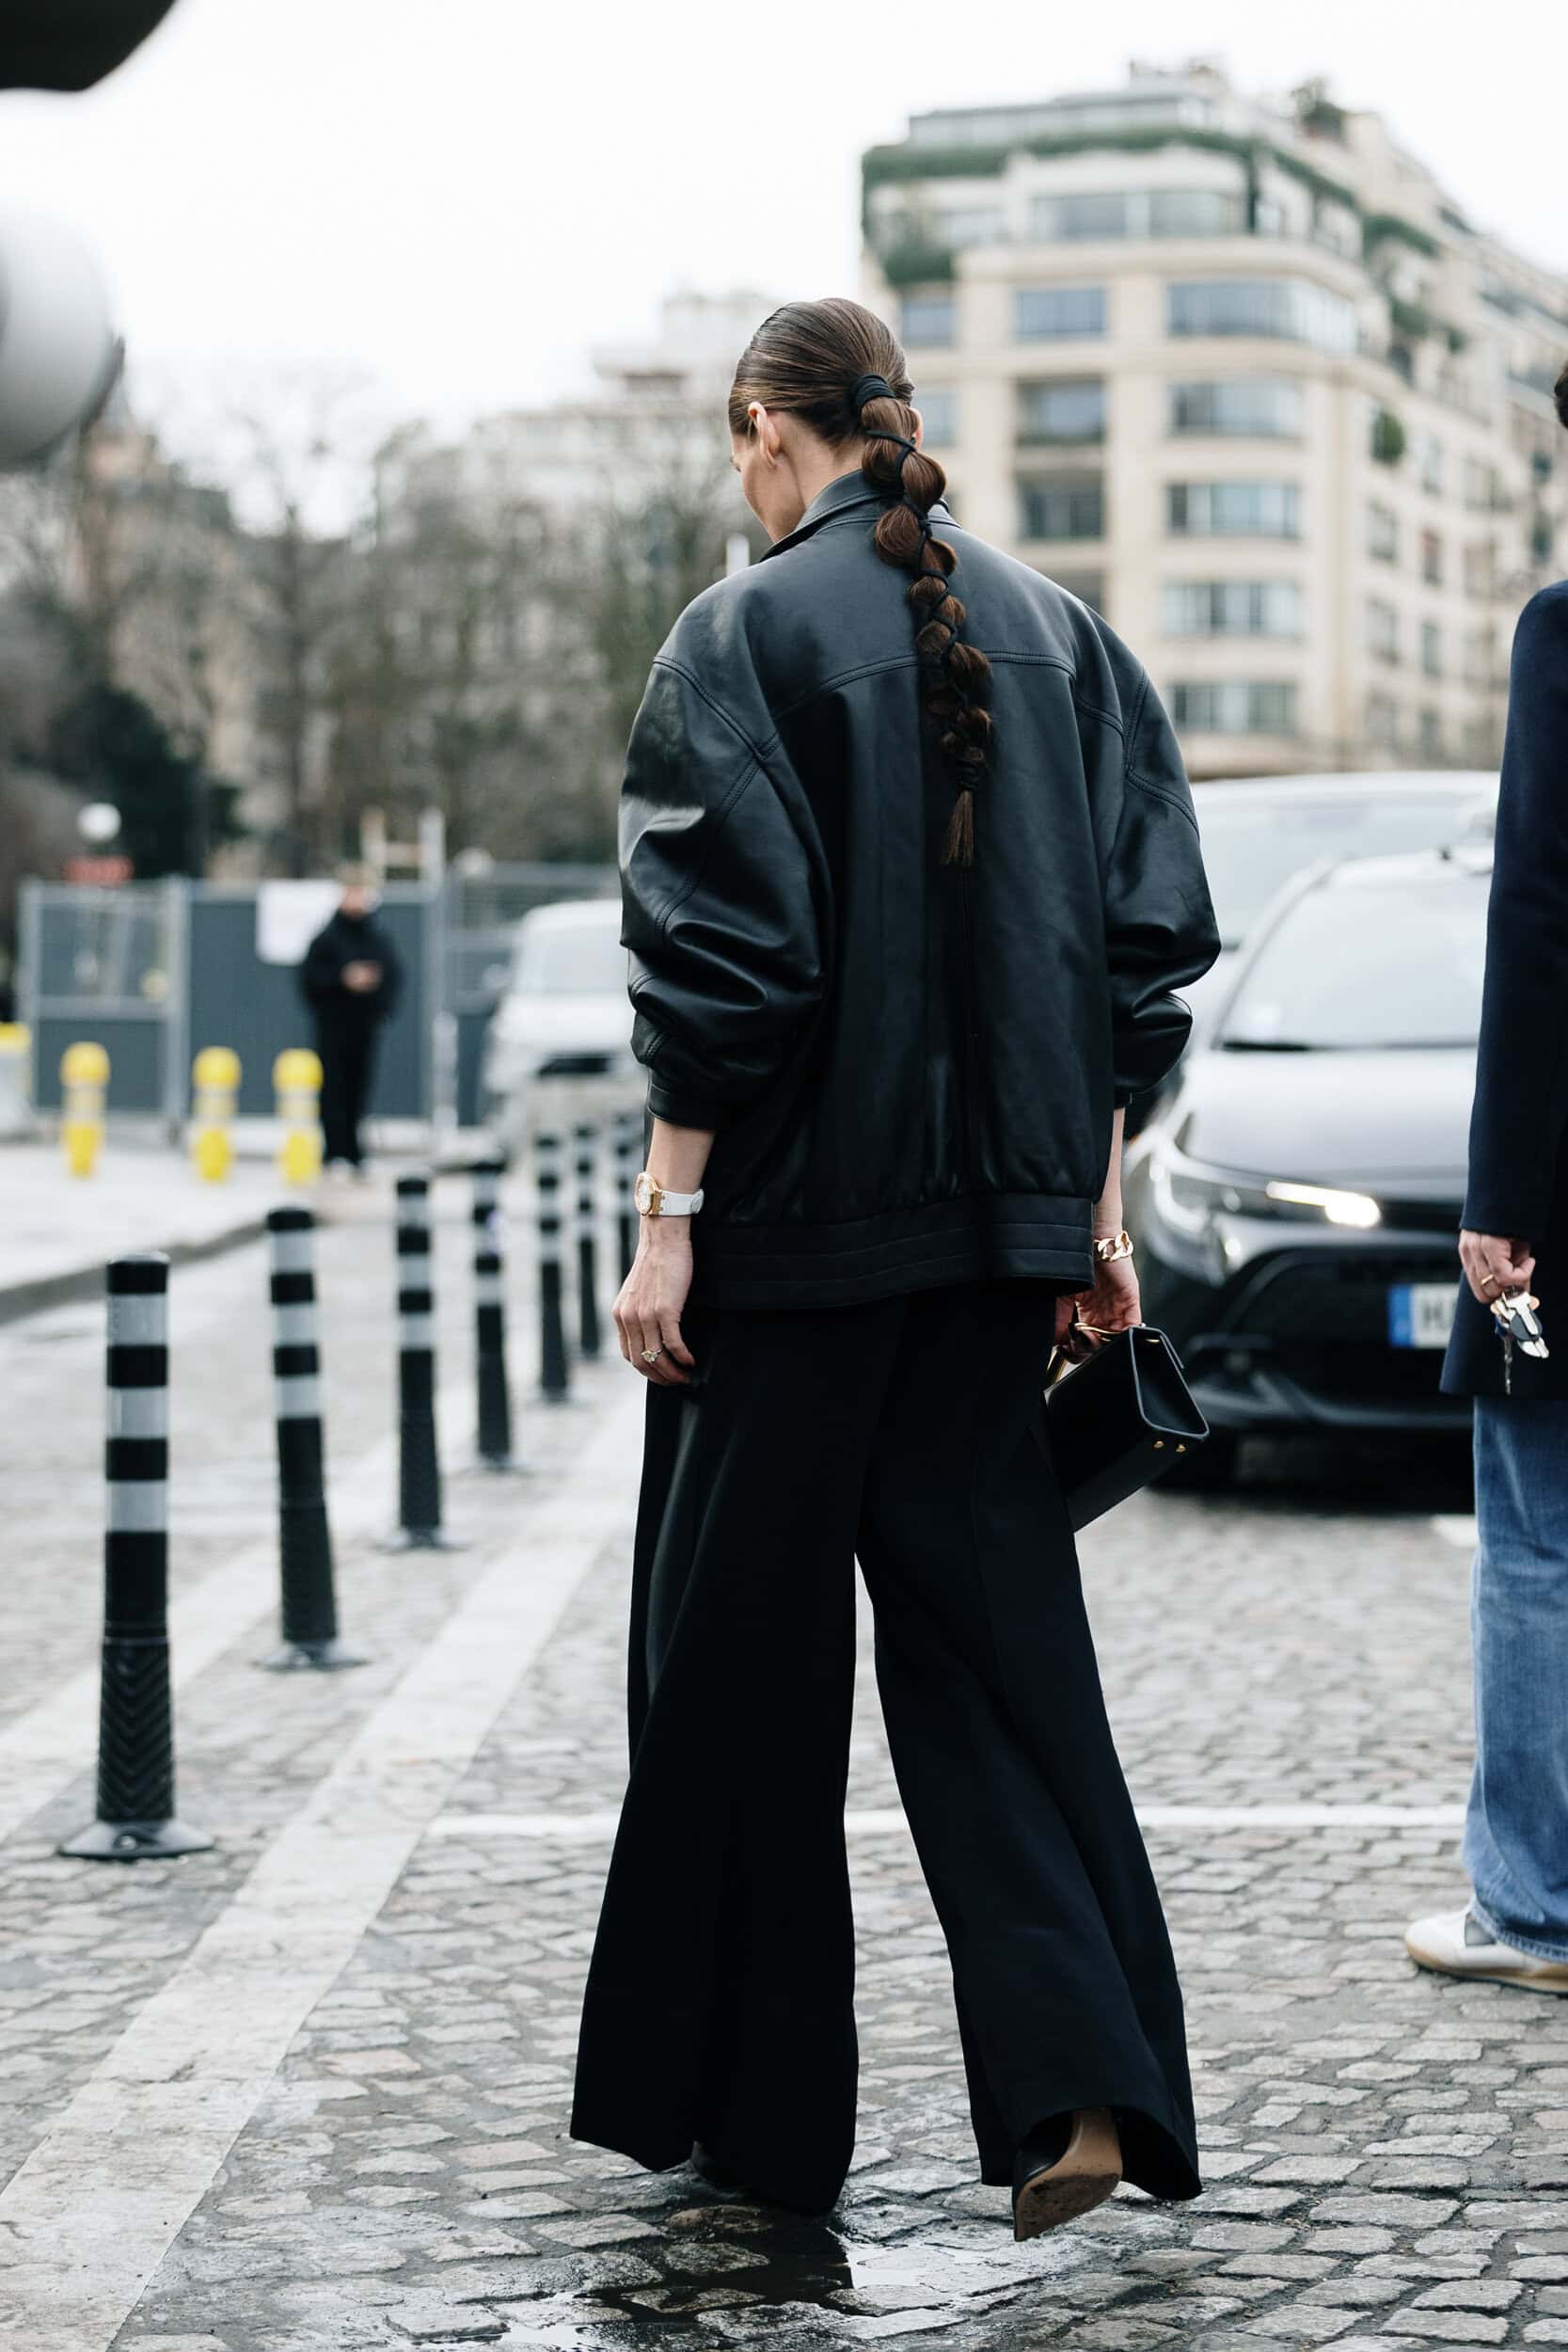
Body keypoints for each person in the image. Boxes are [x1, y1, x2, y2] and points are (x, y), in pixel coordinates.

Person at [569, 298, 1220, 2238]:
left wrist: (666, 1217)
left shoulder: (737, 633)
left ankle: (751, 2121)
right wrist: (1085, 1219)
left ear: (769, 431)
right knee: (1001, 1675)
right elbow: (1138, 966)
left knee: (736, 1687)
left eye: (735, 447)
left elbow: (726, 972)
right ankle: (1078, 2085)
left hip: (783, 1253)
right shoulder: (1062, 634)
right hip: (995, 1259)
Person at [1407, 360, 1568, 1996]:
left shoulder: (1564, 630)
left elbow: (1536, 920)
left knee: (1534, 1537)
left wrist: (1500, 1195)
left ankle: (1533, 1907)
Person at [299, 871, 403, 1174]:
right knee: (333, 1088)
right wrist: (343, 980)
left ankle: (355, 1151)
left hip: (364, 1025)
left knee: (359, 1088)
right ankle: (334, 1151)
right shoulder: (327, 938)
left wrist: (379, 1005)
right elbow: (311, 980)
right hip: (333, 1026)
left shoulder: (376, 937)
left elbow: (392, 976)